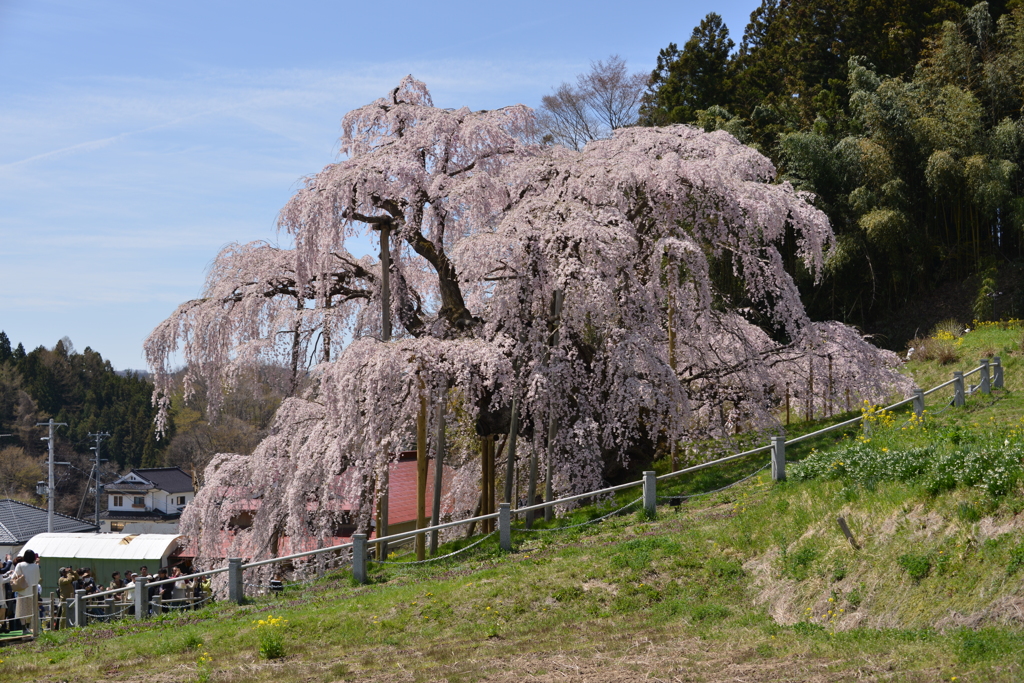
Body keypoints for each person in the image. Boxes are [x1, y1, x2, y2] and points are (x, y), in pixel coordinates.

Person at [10, 550, 40, 635]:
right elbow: (38, 578)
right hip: (33, 591)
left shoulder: (20, 565)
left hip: (23, 590)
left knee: (22, 610)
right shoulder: (36, 566)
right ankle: (28, 626)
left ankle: (24, 628)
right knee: (31, 610)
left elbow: (14, 577)